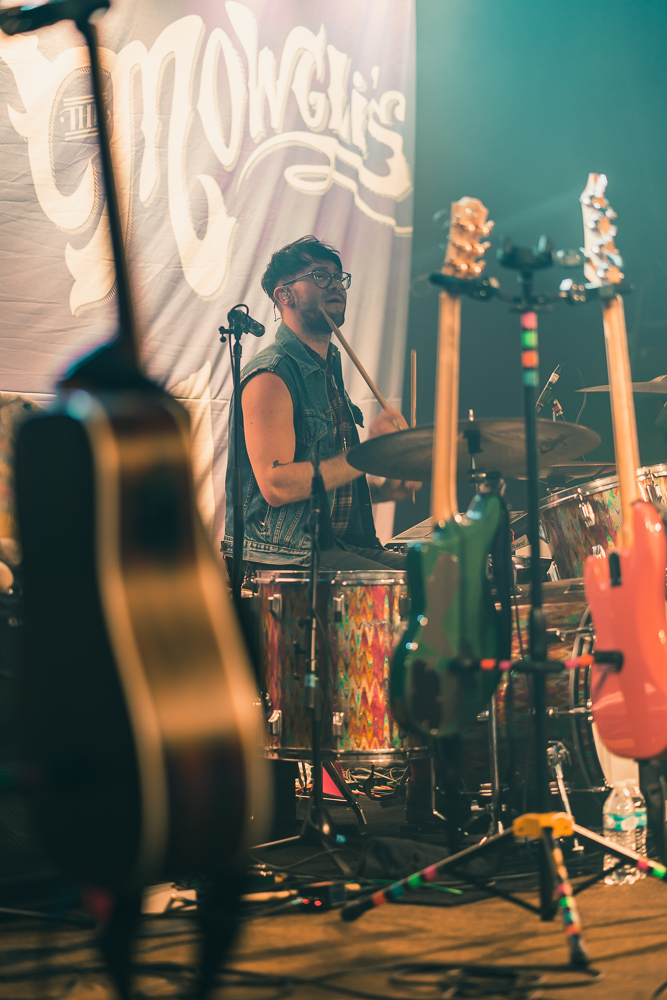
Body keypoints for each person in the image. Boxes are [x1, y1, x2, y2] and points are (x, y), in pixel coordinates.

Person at [223, 236, 418, 571]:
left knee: (436, 573)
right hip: (279, 557)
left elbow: (328, 485)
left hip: (333, 545)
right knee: (409, 589)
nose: (336, 286)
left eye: (339, 278)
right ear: (283, 295)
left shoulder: (327, 369)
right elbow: (276, 486)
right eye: (319, 276)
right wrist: (369, 455)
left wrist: (386, 487)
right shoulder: (271, 374)